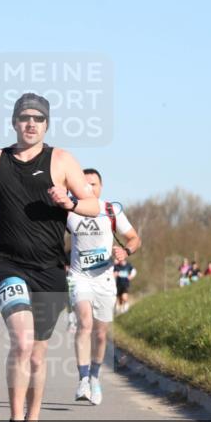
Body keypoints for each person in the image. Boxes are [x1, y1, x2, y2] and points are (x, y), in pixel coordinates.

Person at [0, 92, 99, 422]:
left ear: (46, 124)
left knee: (38, 356)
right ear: (14, 122)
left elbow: (91, 204)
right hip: (8, 262)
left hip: (49, 271)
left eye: (38, 119)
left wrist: (68, 202)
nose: (31, 124)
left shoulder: (62, 160)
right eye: (24, 117)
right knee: (22, 342)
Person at [67, 169, 140, 405]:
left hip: (105, 279)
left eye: (94, 184)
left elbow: (134, 238)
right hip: (80, 277)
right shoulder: (69, 211)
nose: (89, 188)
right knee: (85, 323)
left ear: (101, 187)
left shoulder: (111, 211)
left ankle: (95, 377)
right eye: (85, 184)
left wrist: (125, 250)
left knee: (101, 334)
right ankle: (83, 379)